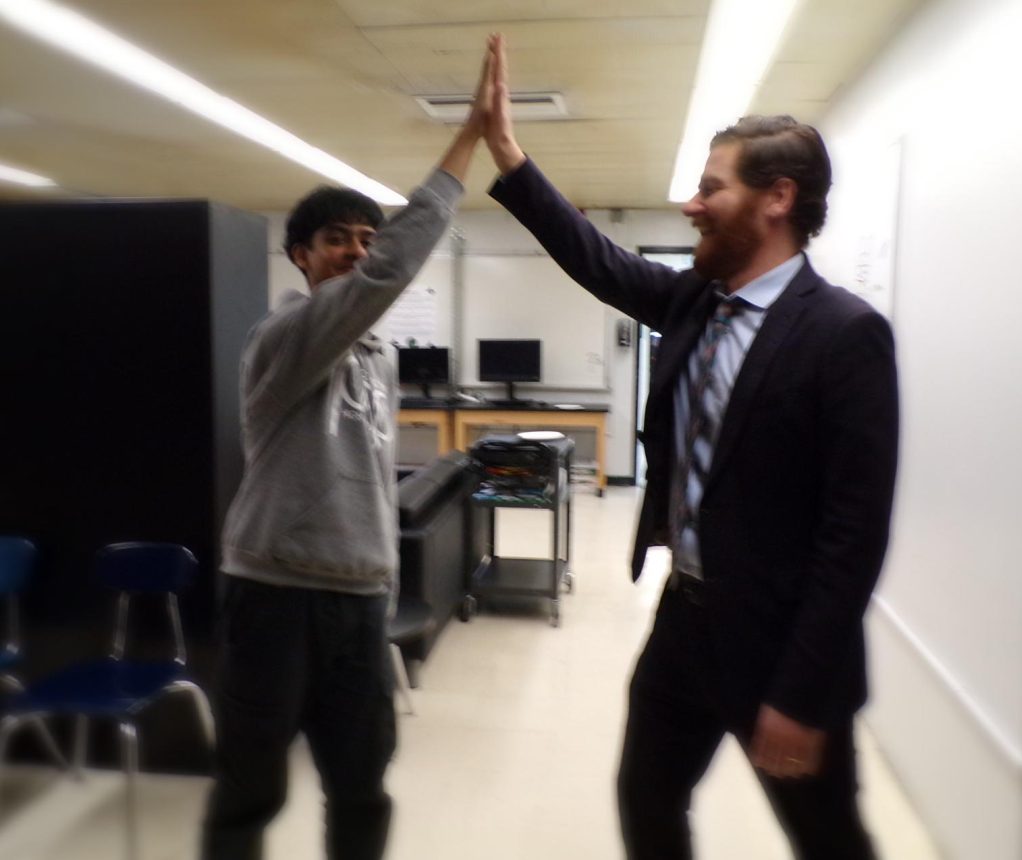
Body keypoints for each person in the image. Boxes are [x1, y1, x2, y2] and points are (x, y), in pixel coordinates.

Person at [482, 37, 899, 860]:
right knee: (646, 798)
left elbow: (853, 538)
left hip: (782, 644)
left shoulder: (844, 336)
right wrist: (508, 155)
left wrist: (801, 691)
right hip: (688, 619)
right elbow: (598, 259)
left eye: (712, 187)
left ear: (776, 198)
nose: (694, 205)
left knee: (829, 841)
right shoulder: (696, 303)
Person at [199, 41, 495, 860]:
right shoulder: (283, 338)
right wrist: (468, 138)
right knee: (250, 790)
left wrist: (384, 575)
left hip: (358, 597)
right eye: (338, 240)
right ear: (300, 255)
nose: (358, 253)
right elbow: (377, 285)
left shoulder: (376, 359)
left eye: (369, 238)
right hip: (274, 594)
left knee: (362, 787)